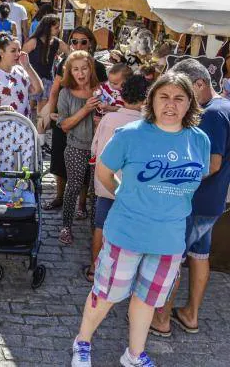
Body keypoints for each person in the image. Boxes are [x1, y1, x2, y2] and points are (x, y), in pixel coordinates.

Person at [71, 72, 210, 367]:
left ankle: (134, 354)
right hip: (127, 233)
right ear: (152, 100)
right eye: (164, 96)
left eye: (179, 98)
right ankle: (82, 342)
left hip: (169, 240)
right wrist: (124, 195)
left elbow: (197, 179)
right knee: (106, 294)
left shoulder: (199, 140)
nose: (170, 104)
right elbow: (103, 172)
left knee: (147, 300)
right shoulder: (131, 134)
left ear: (190, 104)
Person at [152, 59, 230, 337]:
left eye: (185, 91)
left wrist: (174, 183)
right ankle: (190, 315)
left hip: (194, 202)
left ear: (199, 84)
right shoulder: (224, 107)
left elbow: (212, 164)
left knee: (173, 258)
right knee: (199, 256)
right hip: (212, 201)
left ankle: (161, 320)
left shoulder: (211, 113)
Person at [83, 75, 148, 283]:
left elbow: (95, 149)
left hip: (105, 184)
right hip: (132, 189)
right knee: (130, 230)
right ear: (145, 98)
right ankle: (124, 273)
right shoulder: (146, 126)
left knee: (101, 226)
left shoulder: (108, 120)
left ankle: (95, 268)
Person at [45, 27, 109, 212]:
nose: (79, 45)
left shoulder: (98, 67)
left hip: (89, 125)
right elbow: (55, 89)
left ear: (91, 43)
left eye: (83, 41)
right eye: (74, 41)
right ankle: (59, 197)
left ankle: (81, 205)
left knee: (84, 166)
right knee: (58, 161)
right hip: (65, 114)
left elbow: (105, 91)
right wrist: (49, 112)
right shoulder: (65, 62)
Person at [57, 51, 100, 246]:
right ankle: (66, 226)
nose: (81, 73)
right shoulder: (65, 93)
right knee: (73, 187)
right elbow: (64, 125)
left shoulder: (102, 90)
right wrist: (85, 109)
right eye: (76, 69)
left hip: (100, 149)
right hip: (75, 146)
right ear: (70, 72)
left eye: (84, 68)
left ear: (91, 69)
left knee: (97, 191)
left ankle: (95, 229)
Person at [0, 32, 42, 117]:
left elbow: (38, 90)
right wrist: (0, 108)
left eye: (19, 50)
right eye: (13, 51)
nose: (18, 54)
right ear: (1, 53)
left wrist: (27, 66)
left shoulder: (21, 70)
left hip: (23, 125)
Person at [22, 15, 68, 114]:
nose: (59, 30)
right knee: (25, 109)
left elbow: (71, 53)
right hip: (32, 79)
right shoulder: (34, 41)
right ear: (47, 28)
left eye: (59, 27)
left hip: (47, 79)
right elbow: (21, 57)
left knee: (42, 113)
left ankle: (39, 129)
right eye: (56, 27)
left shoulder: (57, 42)